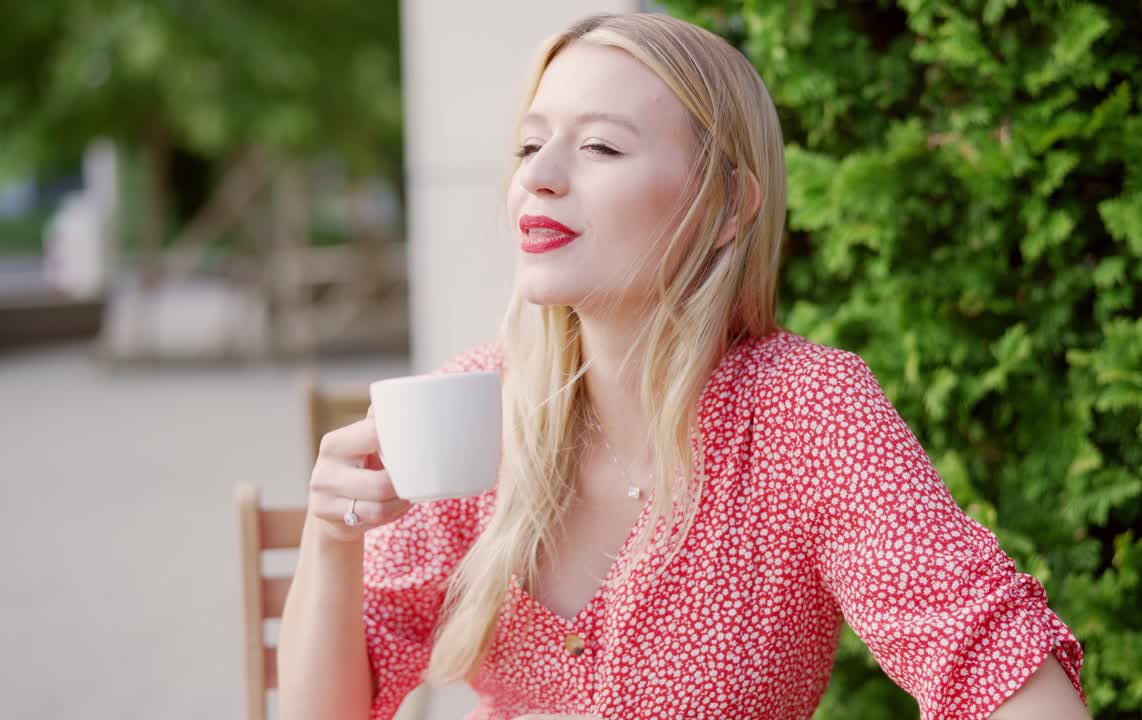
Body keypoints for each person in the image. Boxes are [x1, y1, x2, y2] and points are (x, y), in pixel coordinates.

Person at [278, 12, 1090, 720]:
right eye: (530, 143)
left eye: (597, 145)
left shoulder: (806, 414)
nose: (538, 175)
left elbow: (998, 671)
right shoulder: (478, 402)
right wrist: (330, 538)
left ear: (726, 205)